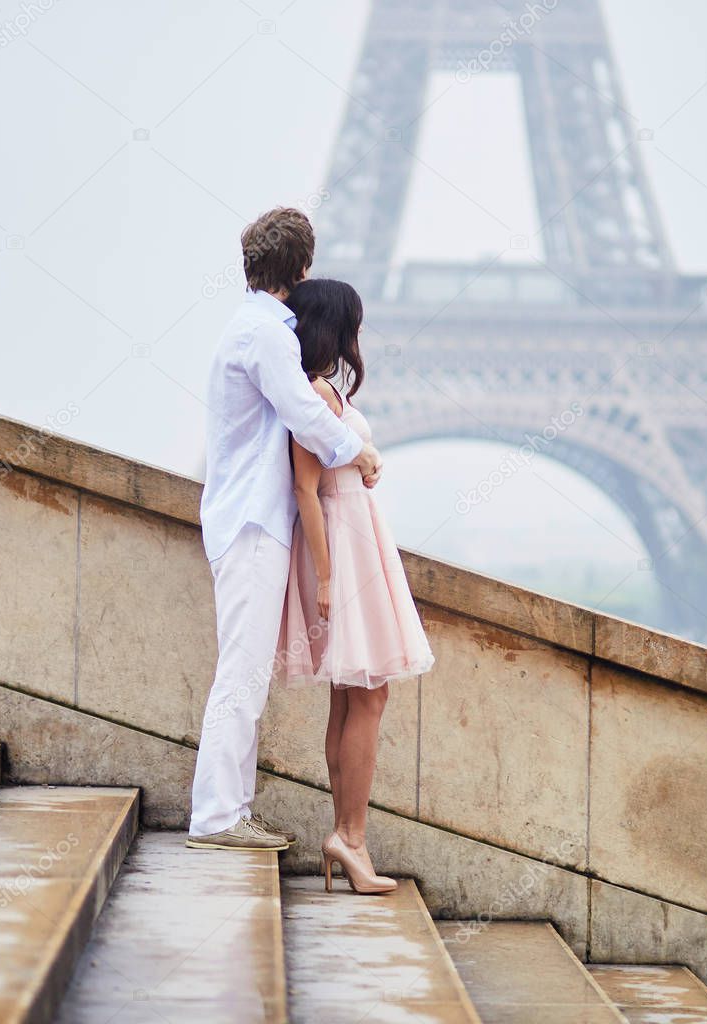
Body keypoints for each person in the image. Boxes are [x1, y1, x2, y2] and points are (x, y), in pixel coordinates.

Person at [187, 209, 382, 852]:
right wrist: (360, 451)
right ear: (300, 268)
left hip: (248, 519)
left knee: (246, 675)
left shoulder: (251, 328)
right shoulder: (267, 335)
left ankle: (232, 809)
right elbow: (303, 413)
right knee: (241, 674)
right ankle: (217, 817)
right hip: (251, 523)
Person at [276, 278, 434, 894]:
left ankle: (346, 834)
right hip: (345, 551)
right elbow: (304, 490)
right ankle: (351, 837)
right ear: (335, 328)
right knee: (368, 698)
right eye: (353, 325)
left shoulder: (318, 392)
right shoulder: (315, 394)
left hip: (355, 543)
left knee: (352, 697)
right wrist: (328, 577)